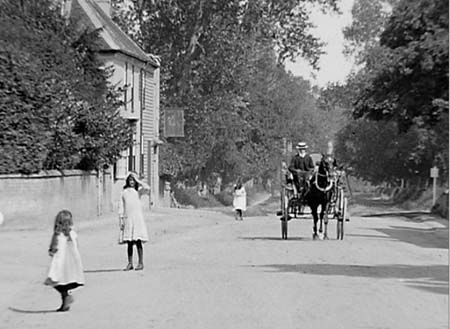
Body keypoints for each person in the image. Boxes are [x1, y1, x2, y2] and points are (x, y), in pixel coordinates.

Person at [44, 210, 84, 312]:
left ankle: (66, 299)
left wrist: (51, 251)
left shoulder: (58, 235)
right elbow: (76, 247)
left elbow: (54, 247)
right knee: (64, 284)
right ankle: (65, 302)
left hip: (60, 265)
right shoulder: (72, 234)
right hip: (70, 265)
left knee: (57, 283)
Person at [119, 172, 150, 271]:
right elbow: (121, 207)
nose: (132, 182)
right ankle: (130, 263)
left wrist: (138, 181)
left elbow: (147, 188)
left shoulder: (138, 191)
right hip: (128, 218)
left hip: (137, 218)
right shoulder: (124, 192)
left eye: (133, 180)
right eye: (130, 180)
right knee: (129, 242)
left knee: (138, 240)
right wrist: (121, 219)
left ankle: (140, 262)